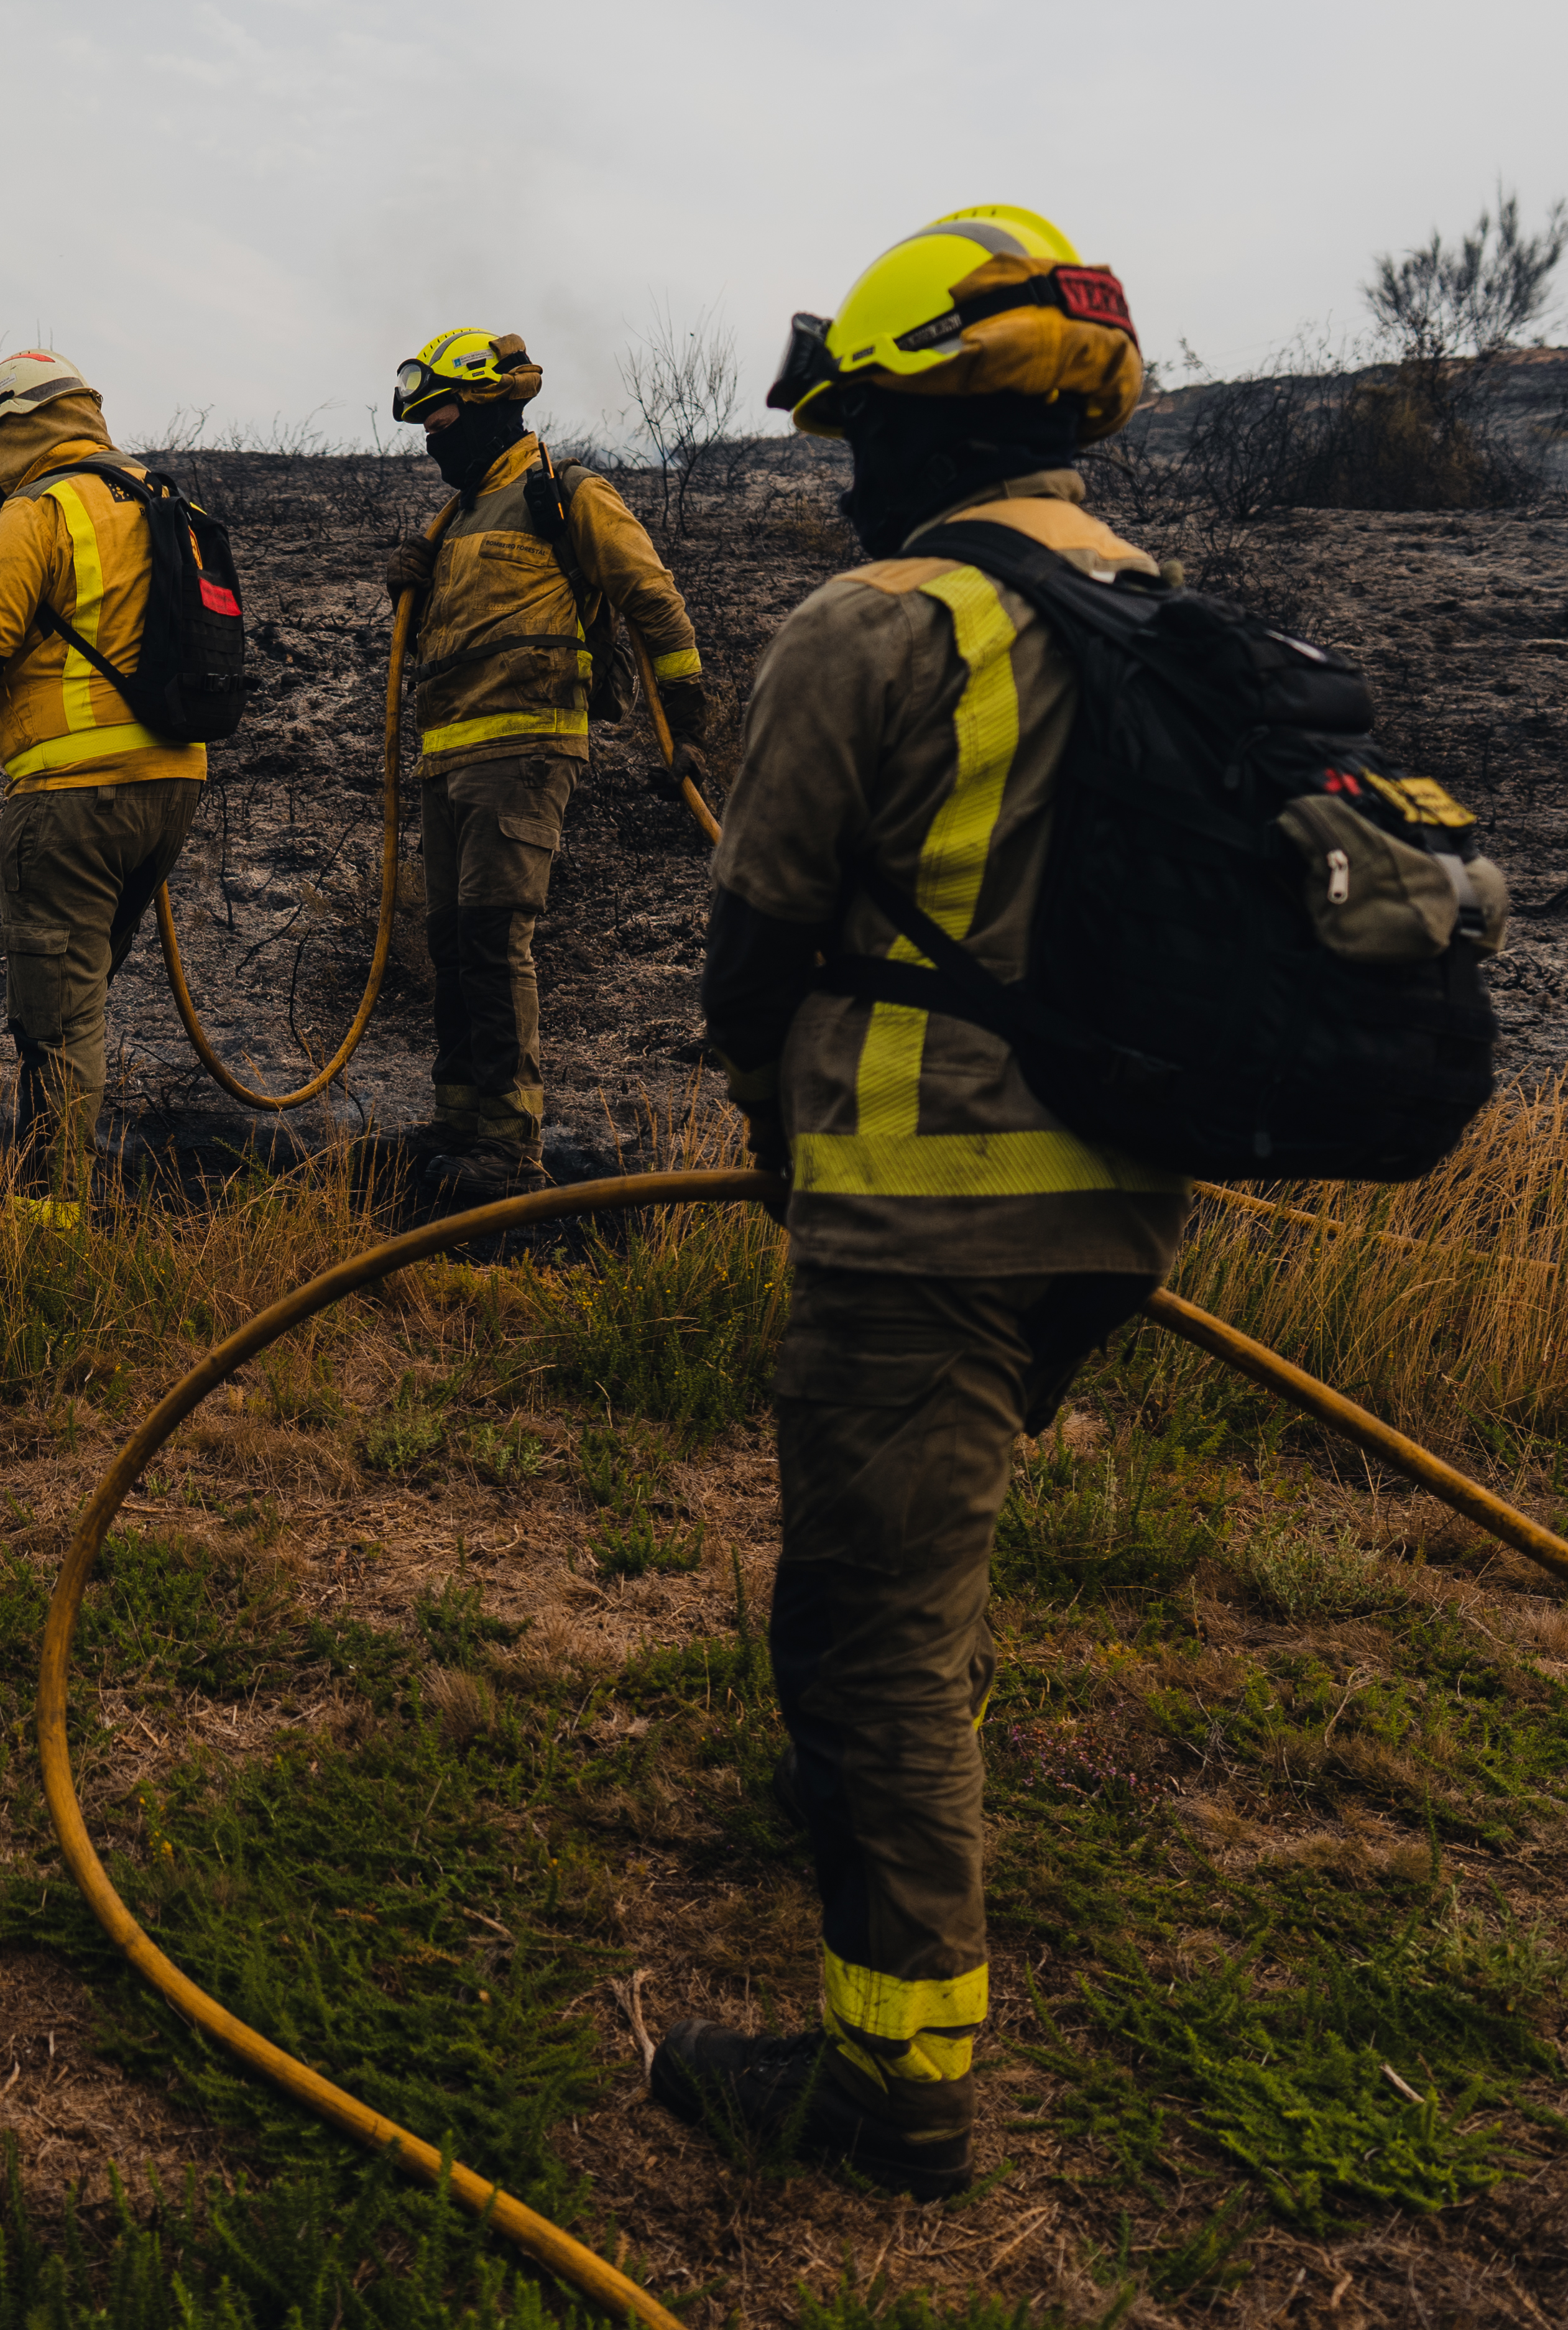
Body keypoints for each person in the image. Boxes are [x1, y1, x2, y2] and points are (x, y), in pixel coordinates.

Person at [652, 206, 1171, 2199]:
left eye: (854, 429)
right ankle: (857, 1800)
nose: (840, 475)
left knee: (865, 1623)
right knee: (916, 1569)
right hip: (1107, 1214)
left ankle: (890, 2085)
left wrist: (753, 1101)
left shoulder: (877, 625)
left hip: (917, 1220)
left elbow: (754, 931)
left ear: (922, 426)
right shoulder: (1142, 602)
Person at [384, 329, 707, 1201]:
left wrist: (686, 716)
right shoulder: (453, 519)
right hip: (448, 755)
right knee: (450, 943)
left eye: (439, 415)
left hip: (523, 750)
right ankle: (459, 1116)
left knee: (493, 940)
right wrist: (411, 584)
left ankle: (508, 1144)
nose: (430, 436)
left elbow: (652, 598)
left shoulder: (563, 494)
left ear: (489, 406)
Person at [0, 352, 208, 1221]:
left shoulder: (42, 507)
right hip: (170, 786)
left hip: (71, 794)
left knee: (53, 1019)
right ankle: (61, 1186)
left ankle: (50, 1217)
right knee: (82, 996)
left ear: (13, 430)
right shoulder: (157, 499)